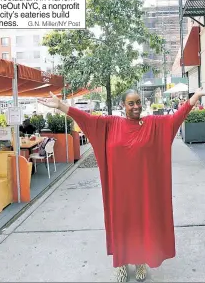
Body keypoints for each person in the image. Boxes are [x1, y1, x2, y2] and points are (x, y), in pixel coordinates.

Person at [38, 88, 205, 282]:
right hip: (119, 190)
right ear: (122, 106)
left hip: (144, 189)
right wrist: (61, 106)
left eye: (138, 102)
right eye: (131, 103)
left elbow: (176, 118)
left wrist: (195, 97)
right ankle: (122, 264)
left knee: (141, 225)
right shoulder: (110, 124)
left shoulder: (153, 124)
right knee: (122, 226)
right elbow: (86, 120)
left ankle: (140, 261)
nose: (136, 107)